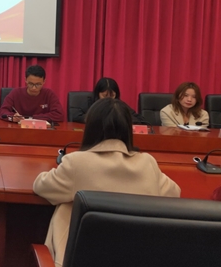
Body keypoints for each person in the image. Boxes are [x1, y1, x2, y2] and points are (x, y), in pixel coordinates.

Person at [33, 98, 180, 267]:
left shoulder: (76, 162)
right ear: (128, 130)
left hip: (80, 259)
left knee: (67, 204)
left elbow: (41, 186)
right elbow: (174, 193)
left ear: (90, 128)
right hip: (137, 258)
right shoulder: (147, 163)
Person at [0, 65, 64, 122]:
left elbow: (59, 115)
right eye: (31, 84)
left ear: (44, 81)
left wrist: (33, 118)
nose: (34, 88)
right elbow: (2, 111)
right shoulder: (16, 93)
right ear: (25, 80)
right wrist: (12, 117)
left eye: (38, 84)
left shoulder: (49, 94)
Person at [71, 77, 147, 124]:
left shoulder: (119, 104)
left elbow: (141, 120)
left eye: (112, 95)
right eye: (104, 95)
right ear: (97, 94)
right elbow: (76, 117)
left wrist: (121, 118)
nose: (108, 99)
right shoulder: (90, 102)